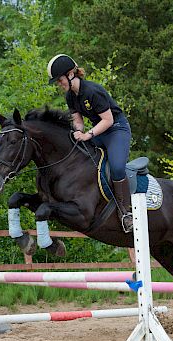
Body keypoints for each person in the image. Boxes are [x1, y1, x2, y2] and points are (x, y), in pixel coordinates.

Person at [47, 54, 133, 233]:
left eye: (60, 80)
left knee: (117, 167)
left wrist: (88, 135)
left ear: (71, 74)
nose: (59, 84)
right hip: (99, 131)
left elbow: (108, 120)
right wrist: (78, 131)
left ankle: (126, 212)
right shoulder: (71, 96)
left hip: (116, 129)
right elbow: (78, 120)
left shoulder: (92, 91)